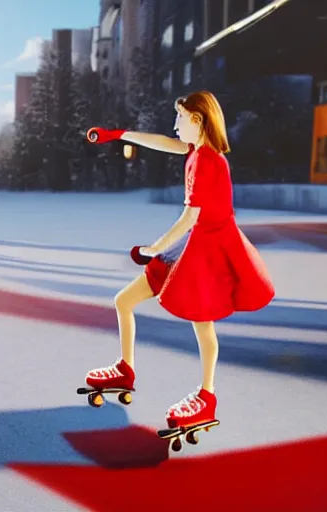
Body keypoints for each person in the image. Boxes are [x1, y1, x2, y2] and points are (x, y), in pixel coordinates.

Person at [83, 91, 275, 430]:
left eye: (181, 118)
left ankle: (206, 395)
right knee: (124, 301)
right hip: (193, 243)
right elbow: (160, 142)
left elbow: (189, 217)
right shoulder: (197, 150)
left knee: (203, 324)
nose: (175, 125)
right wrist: (119, 135)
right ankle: (125, 369)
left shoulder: (207, 161)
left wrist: (152, 250)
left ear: (198, 121)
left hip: (208, 248)